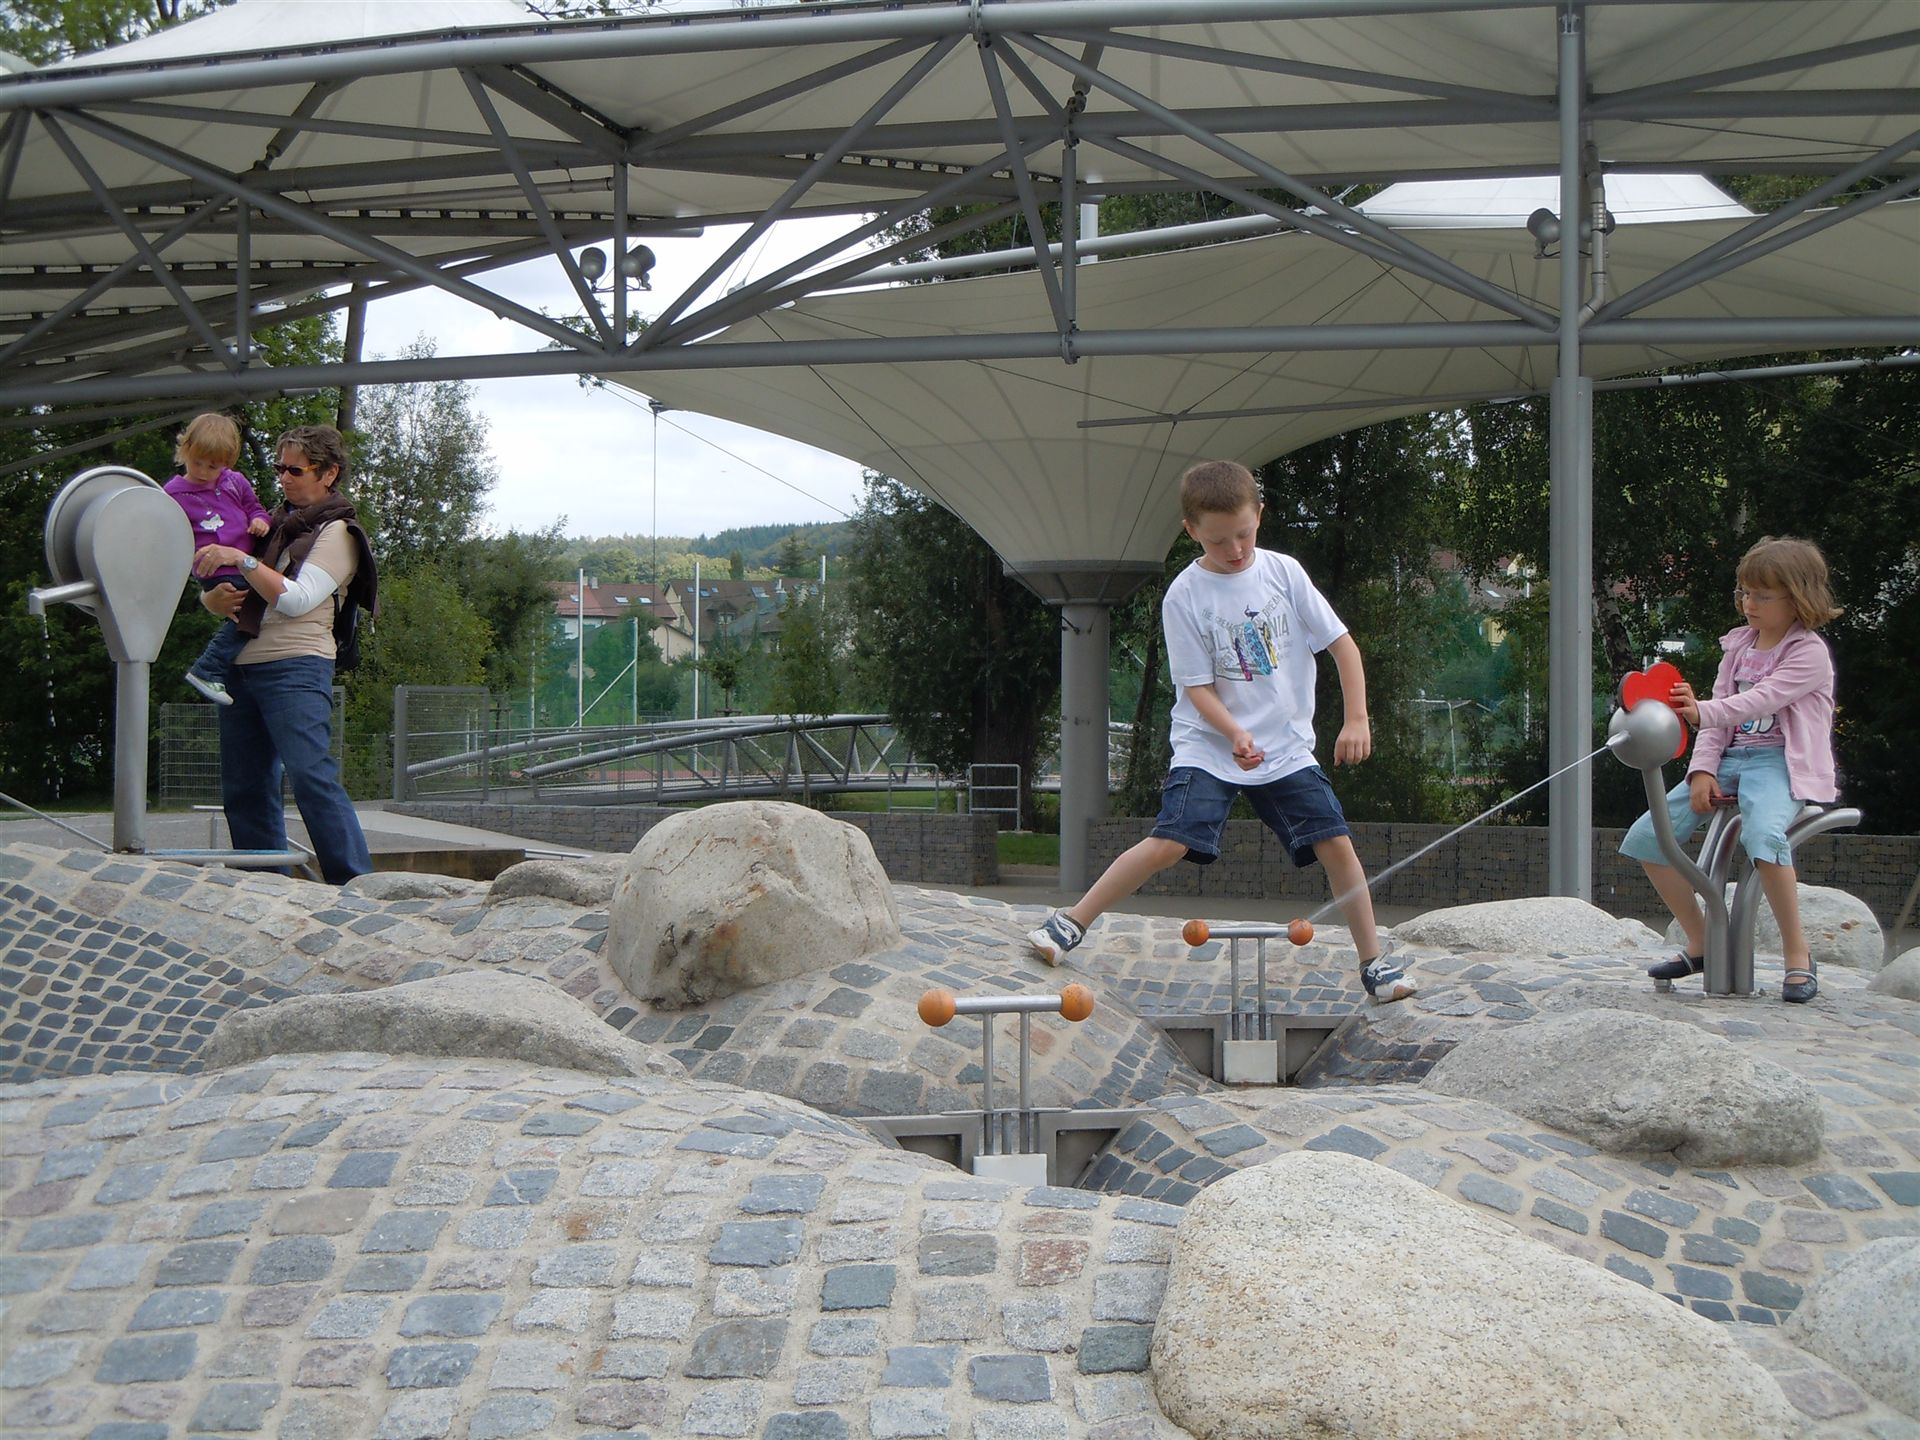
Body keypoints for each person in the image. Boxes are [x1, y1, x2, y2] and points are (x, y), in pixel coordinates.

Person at [1026, 459, 1413, 1003]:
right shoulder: (1185, 595)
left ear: (1260, 515)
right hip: (1208, 744)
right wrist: (1234, 734)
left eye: (1244, 534)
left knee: (1336, 843)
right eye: (1218, 540)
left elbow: (1342, 646)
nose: (1235, 550)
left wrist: (1357, 718)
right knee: (1169, 842)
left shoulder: (1284, 573)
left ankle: (1373, 964)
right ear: (1191, 530)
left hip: (1284, 747)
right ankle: (1070, 922)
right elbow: (1198, 688)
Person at [1623, 536, 1842, 1003]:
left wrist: (1702, 711)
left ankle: (1798, 954)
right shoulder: (1739, 646)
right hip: (1728, 759)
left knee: (1764, 835)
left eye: (1763, 595)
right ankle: (1702, 941)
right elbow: (1721, 720)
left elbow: (1759, 700)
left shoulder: (1808, 653)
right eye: (1744, 592)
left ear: (1797, 597)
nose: (1749, 604)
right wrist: (1703, 769)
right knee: (1648, 837)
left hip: (1779, 764)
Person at [194, 423, 377, 886]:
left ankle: (355, 885)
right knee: (245, 787)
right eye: (280, 468)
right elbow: (223, 591)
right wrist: (211, 599)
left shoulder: (339, 532)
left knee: (310, 775)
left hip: (297, 665)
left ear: (329, 473)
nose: (283, 478)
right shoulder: (268, 526)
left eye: (295, 470)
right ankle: (264, 886)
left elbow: (296, 599)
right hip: (240, 668)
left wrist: (241, 560)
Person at [162, 413, 271, 706]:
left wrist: (260, 521)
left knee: (250, 610)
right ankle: (208, 668)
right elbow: (167, 537)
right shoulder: (173, 494)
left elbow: (255, 508)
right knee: (253, 607)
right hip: (213, 566)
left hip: (241, 562)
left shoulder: (235, 482)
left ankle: (213, 668)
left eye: (213, 466)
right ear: (185, 449)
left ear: (227, 462)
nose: (203, 471)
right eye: (197, 462)